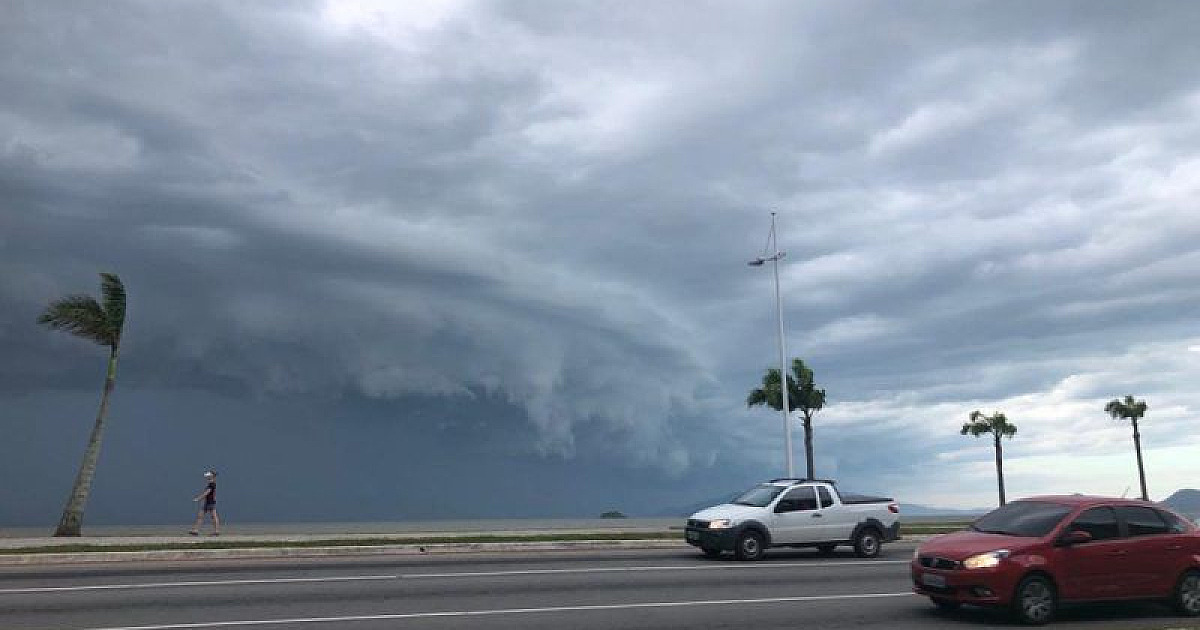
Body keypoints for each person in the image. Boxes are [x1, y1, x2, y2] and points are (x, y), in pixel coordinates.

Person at [189, 470, 220, 536]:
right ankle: (195, 530)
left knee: (213, 516)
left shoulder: (212, 484)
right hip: (207, 502)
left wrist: (198, 498)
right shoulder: (210, 483)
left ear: (212, 476)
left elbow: (207, 493)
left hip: (211, 502)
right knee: (200, 516)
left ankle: (216, 531)